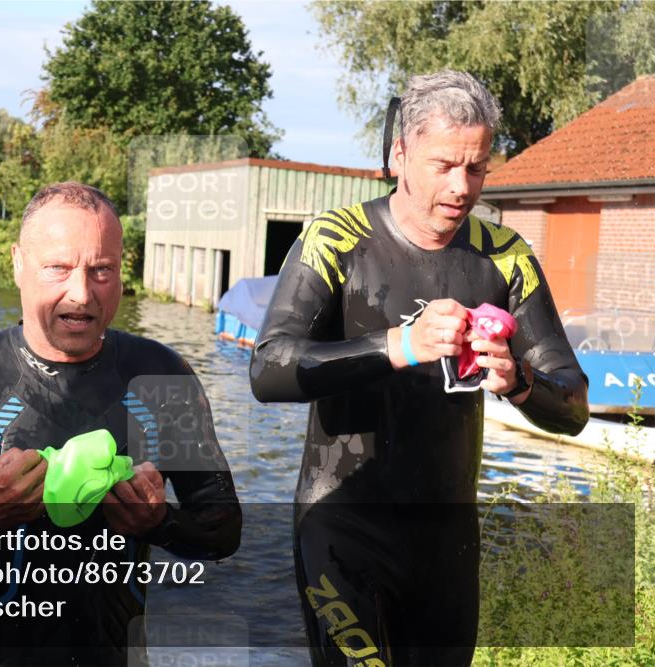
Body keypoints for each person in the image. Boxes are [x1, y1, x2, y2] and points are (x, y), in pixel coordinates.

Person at [249, 70, 589, 667]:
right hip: (342, 527)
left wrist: (519, 381)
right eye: (444, 165)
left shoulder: (506, 257)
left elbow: (575, 407)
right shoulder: (337, 240)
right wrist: (397, 345)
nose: (462, 187)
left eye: (477, 168)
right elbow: (269, 369)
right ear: (399, 155)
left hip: (446, 546)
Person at [0, 182, 242, 665]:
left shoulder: (161, 375)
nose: (81, 294)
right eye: (58, 268)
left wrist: (158, 522)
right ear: (19, 264)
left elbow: (224, 531)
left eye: (101, 270)